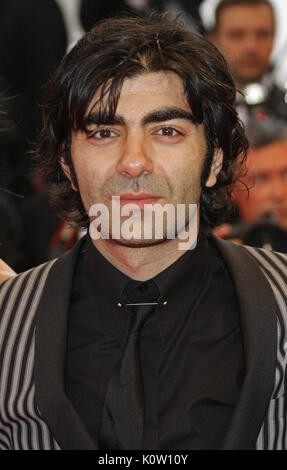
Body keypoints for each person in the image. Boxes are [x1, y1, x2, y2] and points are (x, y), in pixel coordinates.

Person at [0, 14, 286, 451]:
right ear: (66, 165)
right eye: (103, 132)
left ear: (213, 161)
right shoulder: (7, 320)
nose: (134, 161)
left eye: (167, 131)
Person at [209, 0, 287, 123]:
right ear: (214, 40)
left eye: (262, 34)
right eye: (237, 35)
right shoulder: (196, 107)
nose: (251, 46)